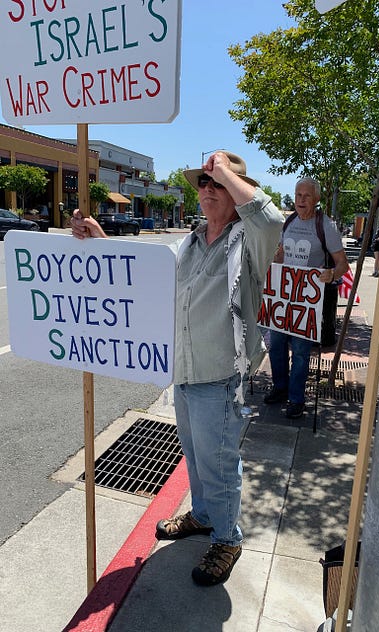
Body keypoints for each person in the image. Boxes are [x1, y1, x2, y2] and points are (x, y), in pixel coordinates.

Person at [71, 151, 284, 587]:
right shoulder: (190, 241)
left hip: (221, 376)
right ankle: (205, 516)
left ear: (234, 191)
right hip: (185, 372)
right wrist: (98, 240)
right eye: (202, 183)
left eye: (216, 184)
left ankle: (227, 538)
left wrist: (223, 168)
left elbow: (270, 217)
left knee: (219, 462)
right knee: (195, 455)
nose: (206, 189)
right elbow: (144, 269)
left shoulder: (249, 241)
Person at [264, 177, 349, 419]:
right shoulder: (288, 221)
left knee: (300, 352)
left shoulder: (326, 226)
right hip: (282, 298)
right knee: (276, 346)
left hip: (307, 302)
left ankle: (296, 399)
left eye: (306, 196)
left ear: (317, 199)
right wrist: (273, 261)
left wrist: (331, 274)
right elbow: (280, 255)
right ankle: (280, 387)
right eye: (298, 195)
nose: (301, 200)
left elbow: (342, 264)